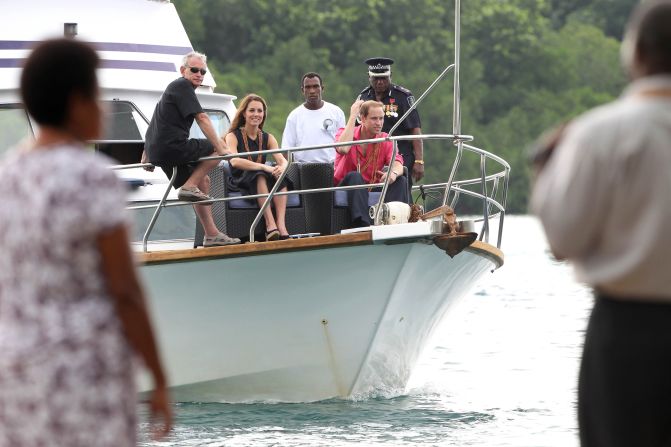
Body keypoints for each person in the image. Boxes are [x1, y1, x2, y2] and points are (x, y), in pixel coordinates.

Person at [0, 39, 171, 446]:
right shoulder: (92, 176)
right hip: (83, 370)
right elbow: (125, 291)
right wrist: (160, 378)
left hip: (16, 370)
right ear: (76, 102)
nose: (102, 107)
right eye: (96, 95)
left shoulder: (9, 174)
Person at [530, 2, 671, 446]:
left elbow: (562, 239)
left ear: (636, 53)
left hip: (624, 333)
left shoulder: (598, 133)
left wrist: (546, 170)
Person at [143, 51, 240, 247]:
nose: (199, 74)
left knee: (204, 181)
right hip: (172, 148)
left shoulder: (174, 90)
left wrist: (147, 153)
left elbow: (155, 119)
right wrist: (221, 147)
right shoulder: (182, 85)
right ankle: (189, 186)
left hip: (162, 151)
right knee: (216, 145)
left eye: (202, 71)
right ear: (183, 71)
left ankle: (211, 235)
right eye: (194, 70)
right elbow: (202, 118)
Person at [224, 94, 292, 241]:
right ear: (244, 113)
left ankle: (281, 225)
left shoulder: (269, 137)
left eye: (260, 111)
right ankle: (270, 225)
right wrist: (265, 167)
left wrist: (283, 167)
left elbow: (282, 160)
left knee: (281, 177)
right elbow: (235, 161)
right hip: (240, 179)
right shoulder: (232, 136)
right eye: (252, 110)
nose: (256, 114)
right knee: (261, 174)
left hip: (260, 175)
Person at [335, 99, 409, 228]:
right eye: (374, 119)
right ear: (362, 119)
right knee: (355, 176)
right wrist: (353, 115)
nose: (379, 123)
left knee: (400, 180)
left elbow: (398, 163)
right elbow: (343, 149)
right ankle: (362, 225)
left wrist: (392, 174)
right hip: (345, 184)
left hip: (370, 186)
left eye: (381, 118)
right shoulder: (344, 133)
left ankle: (396, 223)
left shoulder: (385, 138)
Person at [358, 57, 424, 186]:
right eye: (376, 78)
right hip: (371, 157)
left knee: (401, 190)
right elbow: (357, 129)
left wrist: (419, 160)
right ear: (369, 77)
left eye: (384, 78)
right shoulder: (363, 97)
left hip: (400, 154)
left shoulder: (403, 96)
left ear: (390, 76)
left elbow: (415, 129)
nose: (380, 82)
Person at [281, 72, 346, 163]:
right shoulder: (294, 116)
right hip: (303, 169)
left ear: (322, 88)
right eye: (308, 87)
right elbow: (286, 150)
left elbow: (344, 146)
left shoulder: (336, 112)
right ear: (302, 90)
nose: (312, 91)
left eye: (315, 86)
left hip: (332, 167)